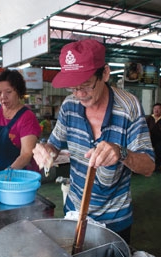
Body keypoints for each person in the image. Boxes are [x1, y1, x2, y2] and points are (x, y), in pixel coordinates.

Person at [32, 39, 155, 243]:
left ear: (105, 73)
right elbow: (54, 145)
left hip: (115, 220)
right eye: (73, 88)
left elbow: (149, 166)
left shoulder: (128, 107)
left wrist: (121, 152)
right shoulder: (70, 105)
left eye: (87, 85)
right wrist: (46, 151)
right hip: (75, 213)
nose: (79, 94)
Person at [0, 68, 41, 171]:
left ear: (18, 92)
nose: (3, 97)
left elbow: (26, 154)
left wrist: (6, 174)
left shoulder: (27, 117)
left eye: (8, 92)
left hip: (15, 177)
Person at [146, 103, 161, 171]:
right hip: (149, 139)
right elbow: (145, 128)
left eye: (158, 109)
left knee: (159, 148)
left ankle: (158, 165)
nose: (156, 110)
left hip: (159, 139)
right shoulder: (149, 118)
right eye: (155, 109)